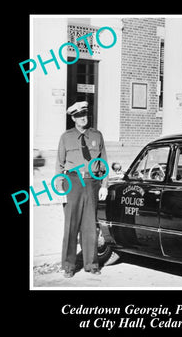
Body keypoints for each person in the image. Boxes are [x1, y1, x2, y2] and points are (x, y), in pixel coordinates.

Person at [55, 101, 108, 278]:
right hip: (72, 183)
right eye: (78, 115)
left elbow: (104, 163)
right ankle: (69, 266)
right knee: (71, 225)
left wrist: (104, 185)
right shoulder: (66, 137)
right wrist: (59, 190)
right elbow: (59, 164)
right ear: (73, 118)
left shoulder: (97, 135)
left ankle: (92, 264)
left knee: (90, 226)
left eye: (84, 113)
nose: (82, 117)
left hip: (92, 182)